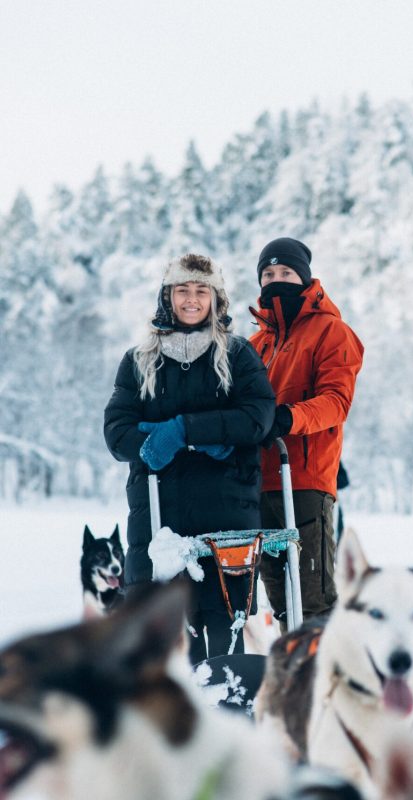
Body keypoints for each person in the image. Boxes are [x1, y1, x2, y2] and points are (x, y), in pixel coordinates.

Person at [104, 253, 275, 662]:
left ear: (216, 299)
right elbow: (116, 432)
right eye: (183, 290)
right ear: (168, 296)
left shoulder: (237, 354)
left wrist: (186, 431)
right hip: (160, 514)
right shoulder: (138, 359)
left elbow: (258, 418)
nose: (192, 300)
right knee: (160, 636)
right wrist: (154, 437)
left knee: (225, 628)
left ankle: (226, 695)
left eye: (202, 291)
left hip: (226, 509)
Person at [250, 237, 363, 628]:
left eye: (286, 272)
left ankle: (325, 663)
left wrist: (289, 418)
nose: (276, 280)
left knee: (312, 598)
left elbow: (335, 402)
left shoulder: (331, 332)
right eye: (268, 274)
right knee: (280, 601)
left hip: (305, 481)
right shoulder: (256, 343)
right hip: (258, 483)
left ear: (304, 277)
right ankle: (292, 664)